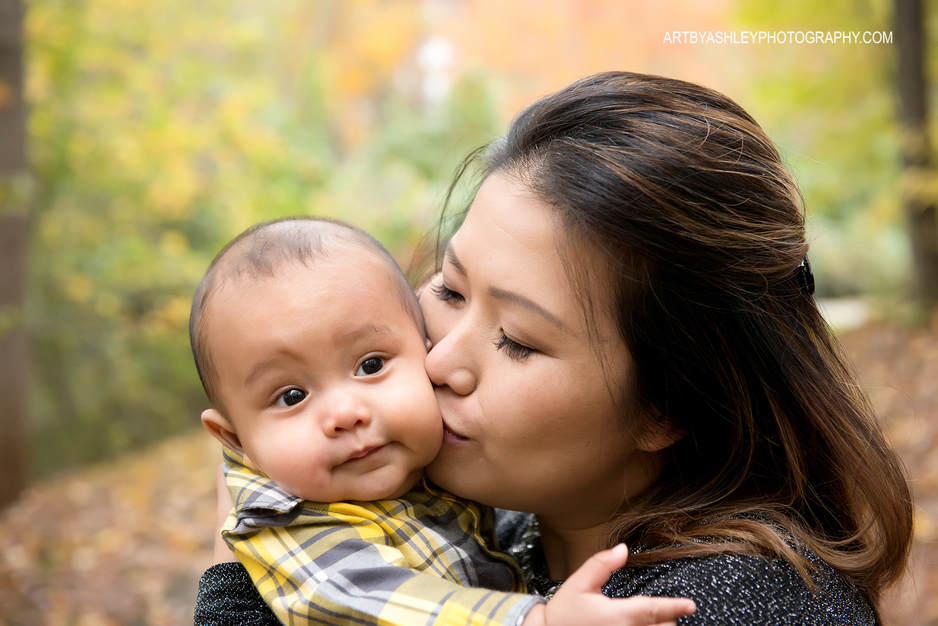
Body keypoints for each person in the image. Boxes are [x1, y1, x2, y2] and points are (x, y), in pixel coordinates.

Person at [195, 71, 914, 624]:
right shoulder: (500, 529)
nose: (440, 362)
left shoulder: (721, 607)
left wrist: (241, 581)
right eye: (448, 289)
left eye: (516, 341)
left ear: (665, 406)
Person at [190, 215, 697, 626]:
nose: (345, 414)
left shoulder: (719, 594)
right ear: (235, 441)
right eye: (292, 395)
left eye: (371, 365)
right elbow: (368, 599)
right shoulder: (295, 525)